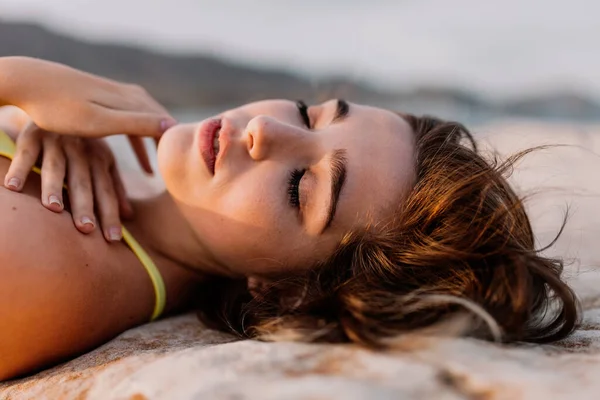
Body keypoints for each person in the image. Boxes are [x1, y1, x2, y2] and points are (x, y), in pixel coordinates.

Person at [0, 57, 579, 381]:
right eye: (309, 114)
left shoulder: (46, 266)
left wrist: (19, 80)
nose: (264, 132)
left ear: (288, 290)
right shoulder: (87, 183)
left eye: (302, 187)